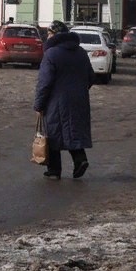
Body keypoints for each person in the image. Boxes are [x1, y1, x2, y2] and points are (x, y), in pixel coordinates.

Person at [33, 20, 93, 180]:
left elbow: (44, 82)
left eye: (49, 34)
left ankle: (54, 169)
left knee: (53, 133)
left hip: (56, 101)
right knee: (73, 131)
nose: (47, 37)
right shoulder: (80, 52)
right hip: (79, 99)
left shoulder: (51, 54)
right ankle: (81, 160)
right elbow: (91, 77)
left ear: (54, 35)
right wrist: (79, 90)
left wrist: (39, 104)